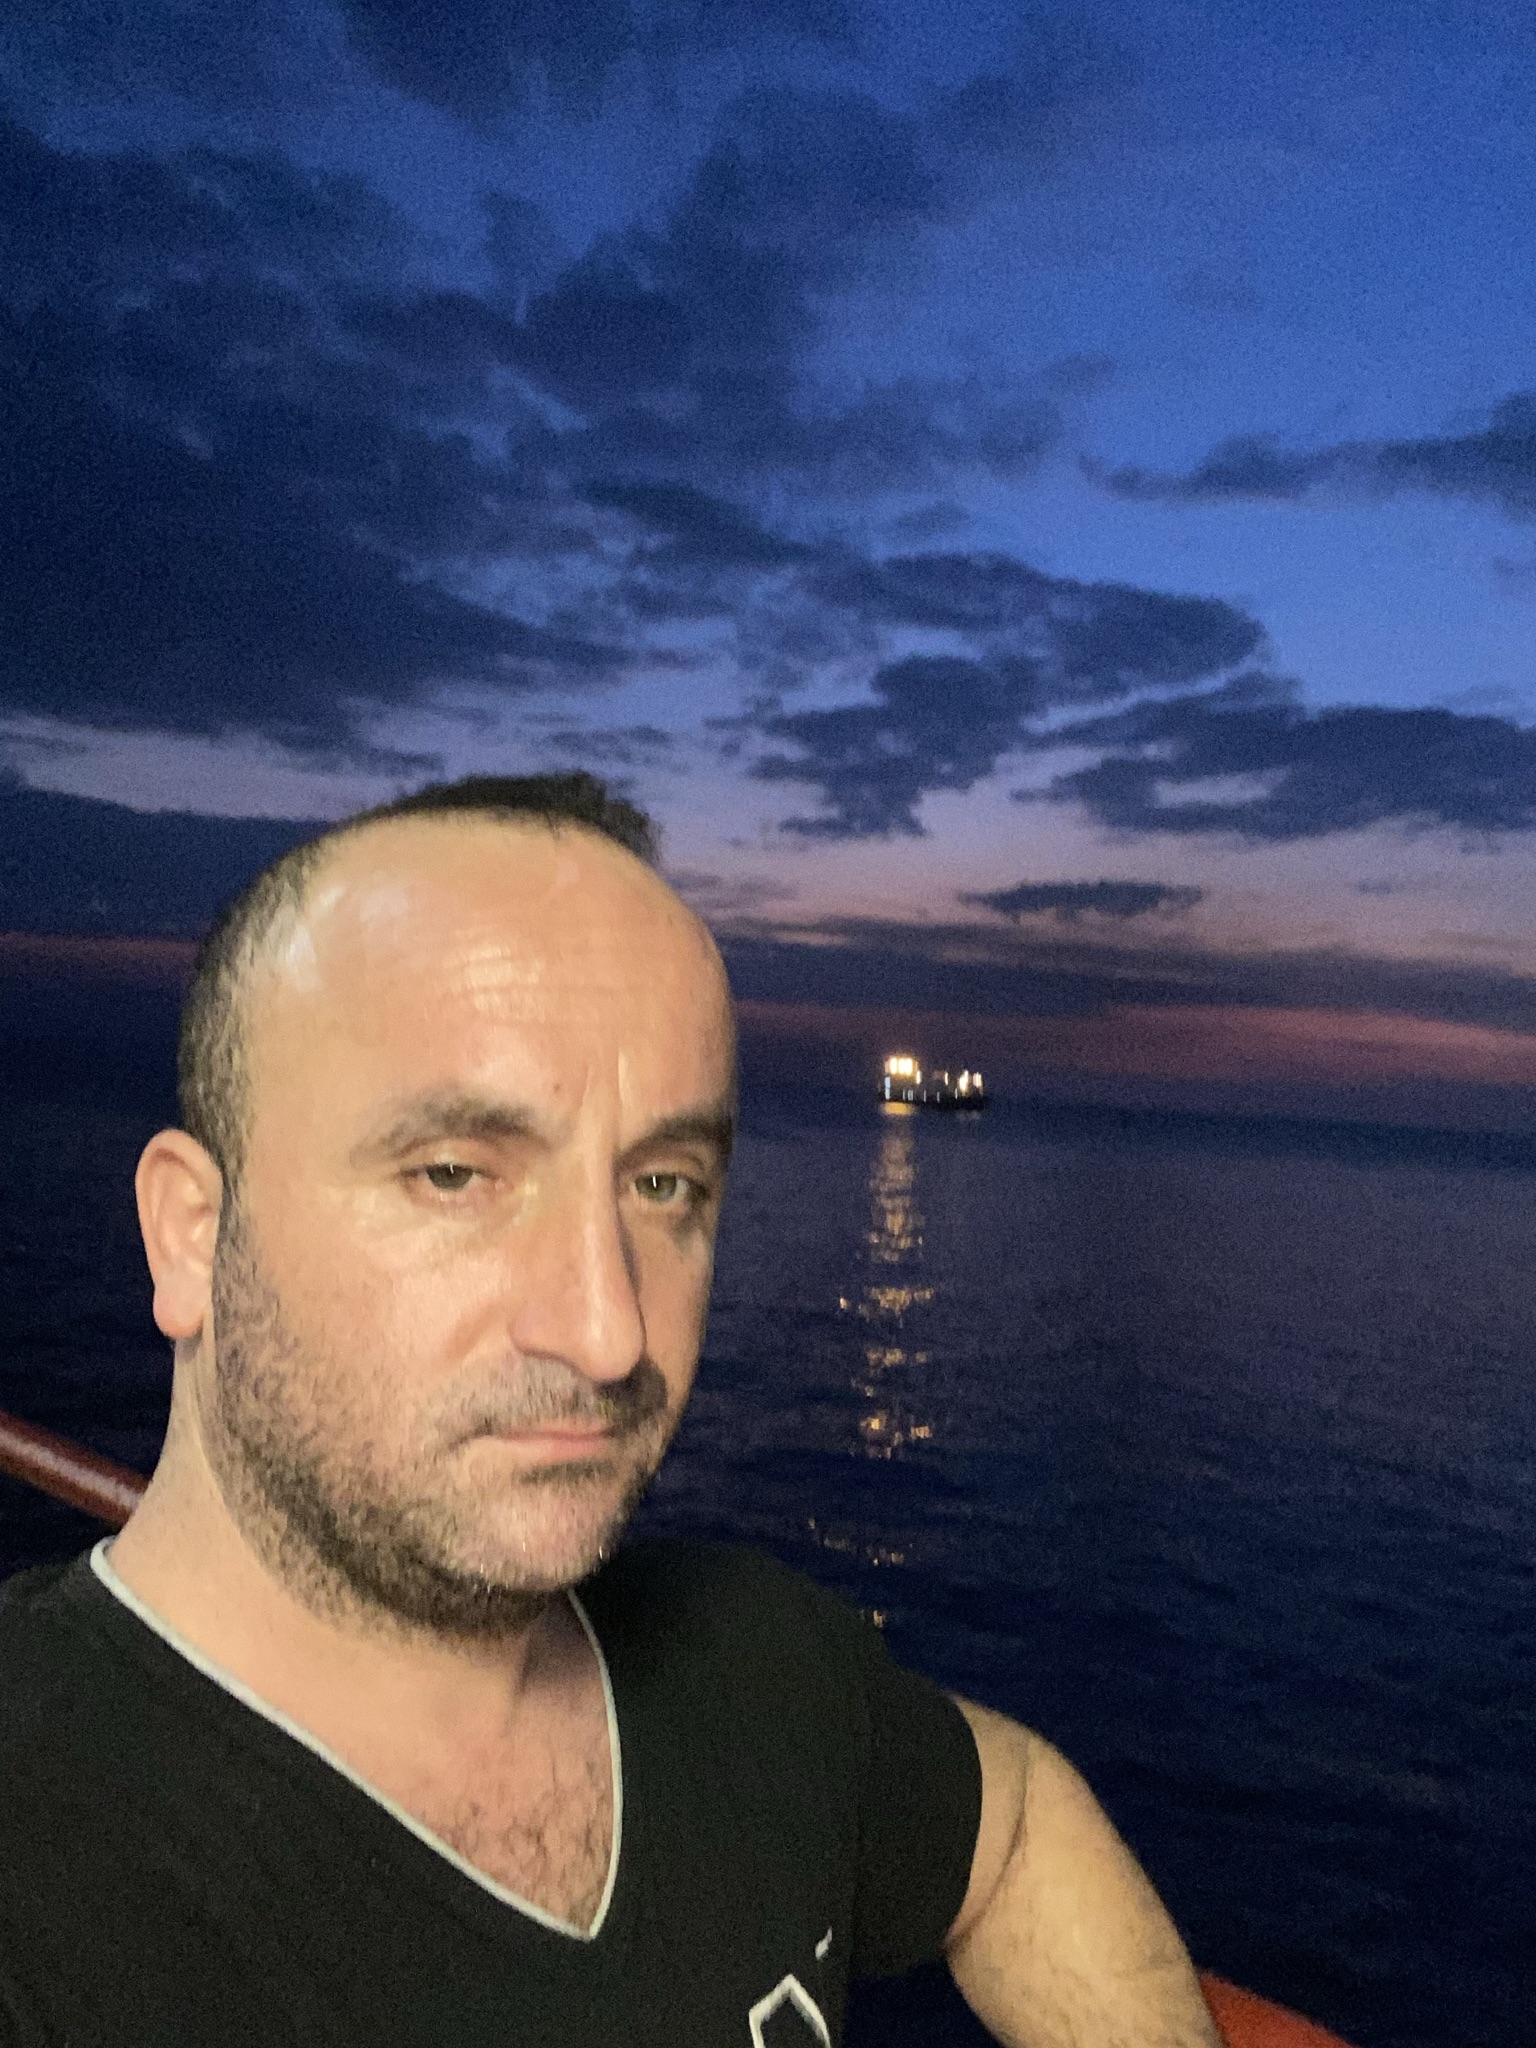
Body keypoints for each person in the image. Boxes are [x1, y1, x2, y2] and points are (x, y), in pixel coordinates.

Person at [0, 774, 1222, 2048]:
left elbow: (1009, 1826)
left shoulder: (756, 1664)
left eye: (663, 1183)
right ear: (193, 1236)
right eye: (455, 1172)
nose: (608, 1328)